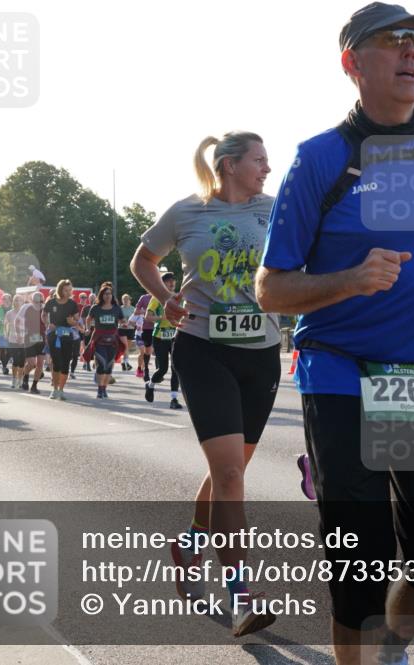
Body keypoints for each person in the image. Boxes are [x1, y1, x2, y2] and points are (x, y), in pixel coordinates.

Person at [255, 4, 414, 662]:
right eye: (393, 43)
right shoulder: (321, 159)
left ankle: (392, 636)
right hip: (342, 374)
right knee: (360, 567)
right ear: (352, 63)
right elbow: (270, 287)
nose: (412, 55)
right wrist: (349, 279)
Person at [132, 130, 281, 637]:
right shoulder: (186, 212)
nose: (267, 167)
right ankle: (240, 596)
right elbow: (142, 259)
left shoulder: (275, 209)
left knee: (229, 471)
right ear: (229, 164)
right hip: (202, 349)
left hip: (262, 354)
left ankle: (193, 542)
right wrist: (165, 299)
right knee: (232, 476)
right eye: (259, 159)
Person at [144, 274, 182, 409]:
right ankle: (150, 385)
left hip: (174, 336)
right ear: (163, 284)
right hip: (160, 336)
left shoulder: (178, 298)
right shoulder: (157, 298)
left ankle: (174, 399)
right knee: (163, 369)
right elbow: (148, 316)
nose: (171, 283)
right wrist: (162, 317)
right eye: (168, 281)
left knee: (176, 368)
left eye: (173, 281)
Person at [84, 284, 124, 399]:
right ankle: (100, 389)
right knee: (101, 365)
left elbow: (122, 320)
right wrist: (87, 328)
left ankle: (104, 389)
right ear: (102, 295)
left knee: (109, 366)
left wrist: (125, 323)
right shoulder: (96, 308)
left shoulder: (116, 308)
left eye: (109, 294)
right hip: (99, 338)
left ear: (112, 295)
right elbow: (88, 318)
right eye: (106, 294)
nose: (108, 296)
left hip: (113, 339)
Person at [42, 279, 79, 400]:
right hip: (54, 335)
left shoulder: (72, 304)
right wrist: (48, 323)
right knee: (56, 362)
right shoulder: (52, 302)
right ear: (60, 290)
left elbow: (76, 320)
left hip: (67, 335)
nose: (68, 292)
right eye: (66, 290)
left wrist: (71, 322)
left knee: (65, 364)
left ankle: (61, 390)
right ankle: (55, 389)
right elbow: (43, 314)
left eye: (70, 290)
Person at [17, 291, 46, 393]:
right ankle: (25, 376)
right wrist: (19, 334)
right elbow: (17, 320)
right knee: (31, 363)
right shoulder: (26, 308)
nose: (38, 303)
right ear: (32, 300)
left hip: (42, 339)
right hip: (29, 338)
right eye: (36, 300)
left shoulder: (45, 309)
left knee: (40, 364)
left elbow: (49, 322)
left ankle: (34, 386)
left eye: (40, 300)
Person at [4, 294, 26, 389]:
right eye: (16, 300)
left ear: (22, 302)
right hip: (12, 340)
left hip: (24, 340)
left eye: (19, 300)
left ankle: (20, 380)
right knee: (16, 361)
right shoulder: (9, 313)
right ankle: (13, 380)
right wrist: (6, 335)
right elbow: (5, 325)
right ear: (13, 302)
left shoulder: (25, 313)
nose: (17, 302)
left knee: (22, 362)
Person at [118, 293, 136, 371]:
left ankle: (124, 362)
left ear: (129, 300)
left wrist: (129, 323)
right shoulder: (120, 309)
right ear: (122, 300)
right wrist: (122, 323)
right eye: (124, 300)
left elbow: (136, 320)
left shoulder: (133, 309)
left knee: (127, 347)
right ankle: (126, 362)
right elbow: (117, 319)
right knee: (125, 346)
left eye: (127, 299)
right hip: (122, 329)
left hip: (130, 329)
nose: (125, 301)